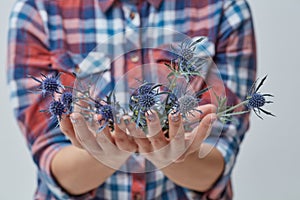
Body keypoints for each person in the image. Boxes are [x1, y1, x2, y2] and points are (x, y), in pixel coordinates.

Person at [7, 0, 256, 199]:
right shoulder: (37, 10)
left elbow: (218, 163)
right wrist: (105, 153)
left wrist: (171, 152)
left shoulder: (225, 8)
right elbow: (52, 160)